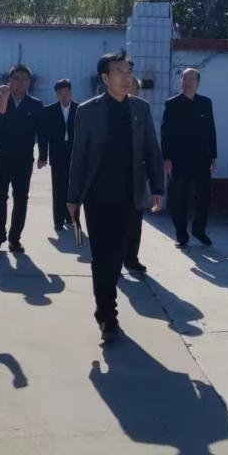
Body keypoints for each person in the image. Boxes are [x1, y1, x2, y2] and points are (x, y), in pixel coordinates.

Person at [67, 50, 164, 341]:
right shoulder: (88, 111)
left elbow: (152, 150)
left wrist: (157, 188)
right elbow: (78, 156)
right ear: (105, 77)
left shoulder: (140, 109)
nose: (126, 77)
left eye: (128, 71)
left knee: (118, 256)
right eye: (119, 71)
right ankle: (107, 314)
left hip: (130, 195)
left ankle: (106, 307)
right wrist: (72, 197)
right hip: (97, 196)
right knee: (101, 256)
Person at [0, 64, 43, 254]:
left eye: (23, 79)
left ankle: (15, 238)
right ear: (9, 81)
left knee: (21, 199)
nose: (19, 82)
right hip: (2, 158)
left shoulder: (35, 105)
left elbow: (41, 132)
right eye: (15, 78)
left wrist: (43, 154)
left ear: (29, 82)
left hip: (24, 160)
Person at [161, 67, 217, 248]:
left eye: (191, 79)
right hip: (179, 158)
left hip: (202, 158)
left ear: (198, 83)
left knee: (204, 196)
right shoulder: (172, 104)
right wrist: (167, 157)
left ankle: (199, 229)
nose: (187, 83)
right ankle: (181, 234)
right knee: (179, 197)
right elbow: (165, 131)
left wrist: (213, 155)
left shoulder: (205, 103)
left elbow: (211, 129)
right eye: (184, 79)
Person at [37, 78, 78, 232]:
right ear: (56, 94)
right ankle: (58, 220)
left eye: (66, 92)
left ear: (71, 93)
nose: (64, 95)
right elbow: (43, 135)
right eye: (60, 93)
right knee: (58, 188)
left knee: (73, 188)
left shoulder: (79, 109)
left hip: (75, 154)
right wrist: (43, 156)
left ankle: (71, 217)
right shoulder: (49, 111)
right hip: (57, 153)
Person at [122, 76, 147, 273]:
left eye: (133, 88)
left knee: (135, 220)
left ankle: (131, 258)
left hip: (137, 176)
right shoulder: (109, 110)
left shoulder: (142, 110)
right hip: (114, 176)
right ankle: (114, 259)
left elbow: (150, 145)